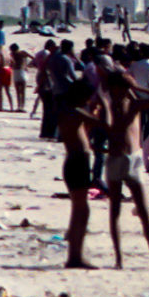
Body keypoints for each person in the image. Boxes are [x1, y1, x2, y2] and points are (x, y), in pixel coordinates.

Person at [97, 71, 149, 270]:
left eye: (120, 88)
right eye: (114, 89)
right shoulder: (109, 107)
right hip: (115, 158)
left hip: (133, 159)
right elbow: (106, 130)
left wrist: (136, 87)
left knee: (143, 211)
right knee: (115, 210)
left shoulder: (134, 104)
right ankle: (119, 259)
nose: (115, 92)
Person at [58, 80, 102, 268]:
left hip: (77, 162)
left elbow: (85, 133)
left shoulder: (69, 110)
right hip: (77, 163)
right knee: (80, 211)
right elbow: (102, 123)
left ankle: (76, 254)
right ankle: (74, 257)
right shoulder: (74, 111)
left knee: (80, 211)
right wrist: (102, 104)